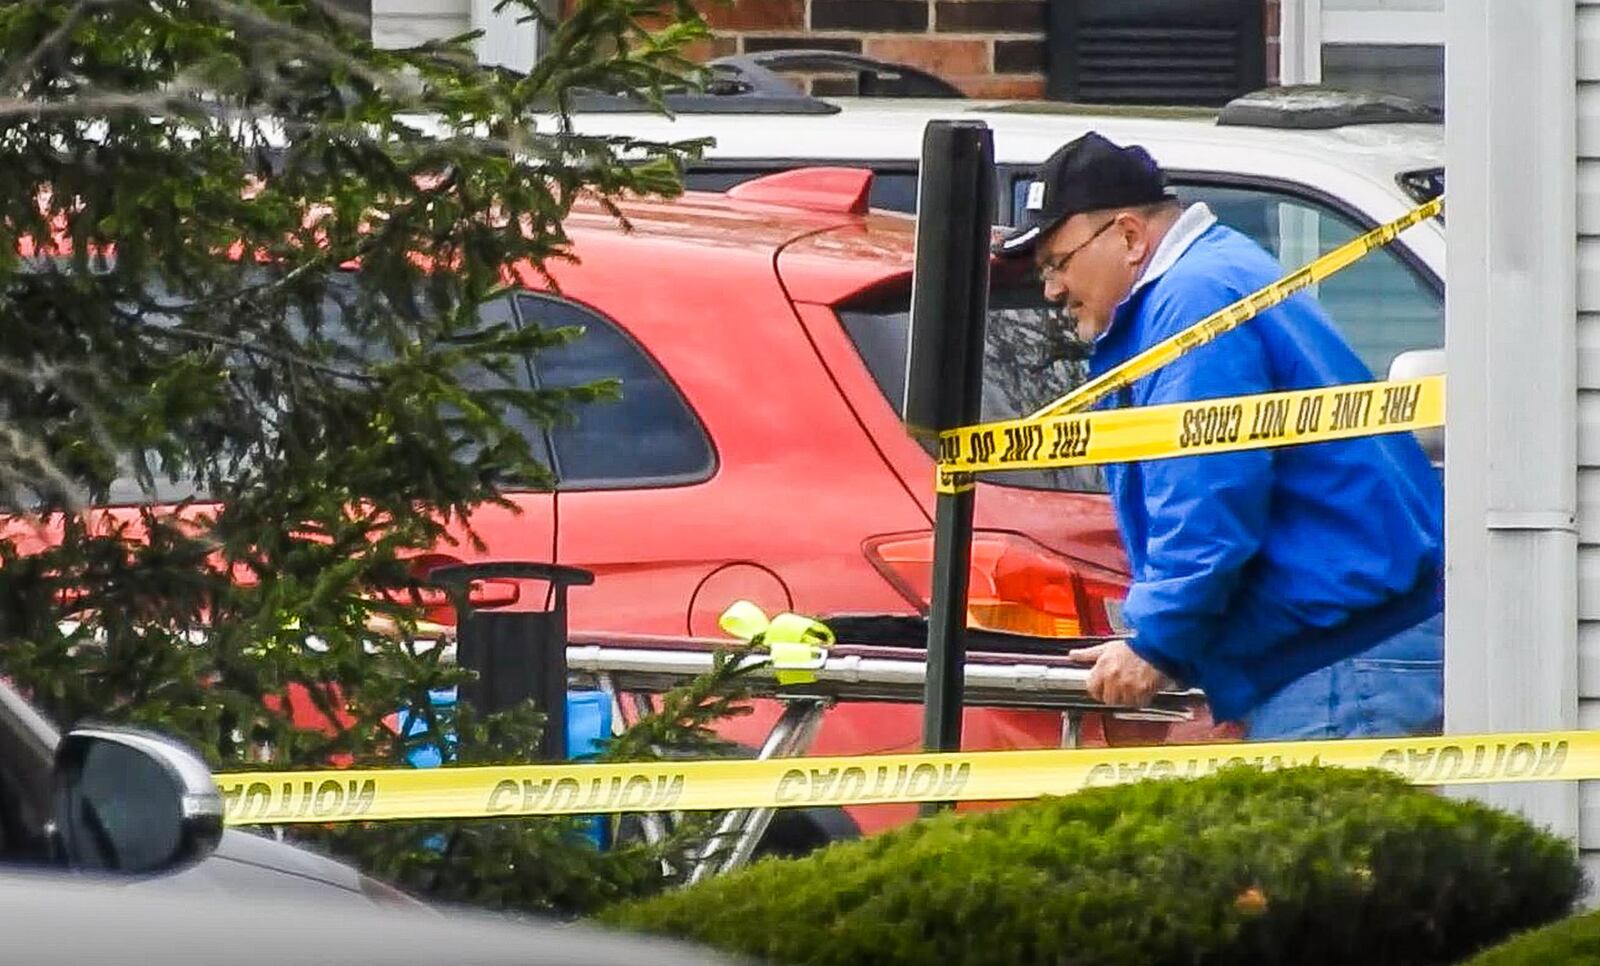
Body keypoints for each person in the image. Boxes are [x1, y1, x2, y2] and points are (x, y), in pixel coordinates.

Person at [994, 132, 1444, 740]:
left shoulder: (1192, 302)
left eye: (1057, 263)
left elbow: (1206, 493)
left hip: (1340, 661)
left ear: (1128, 236)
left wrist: (1158, 643)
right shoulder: (1214, 274)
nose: (1051, 290)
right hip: (1348, 650)